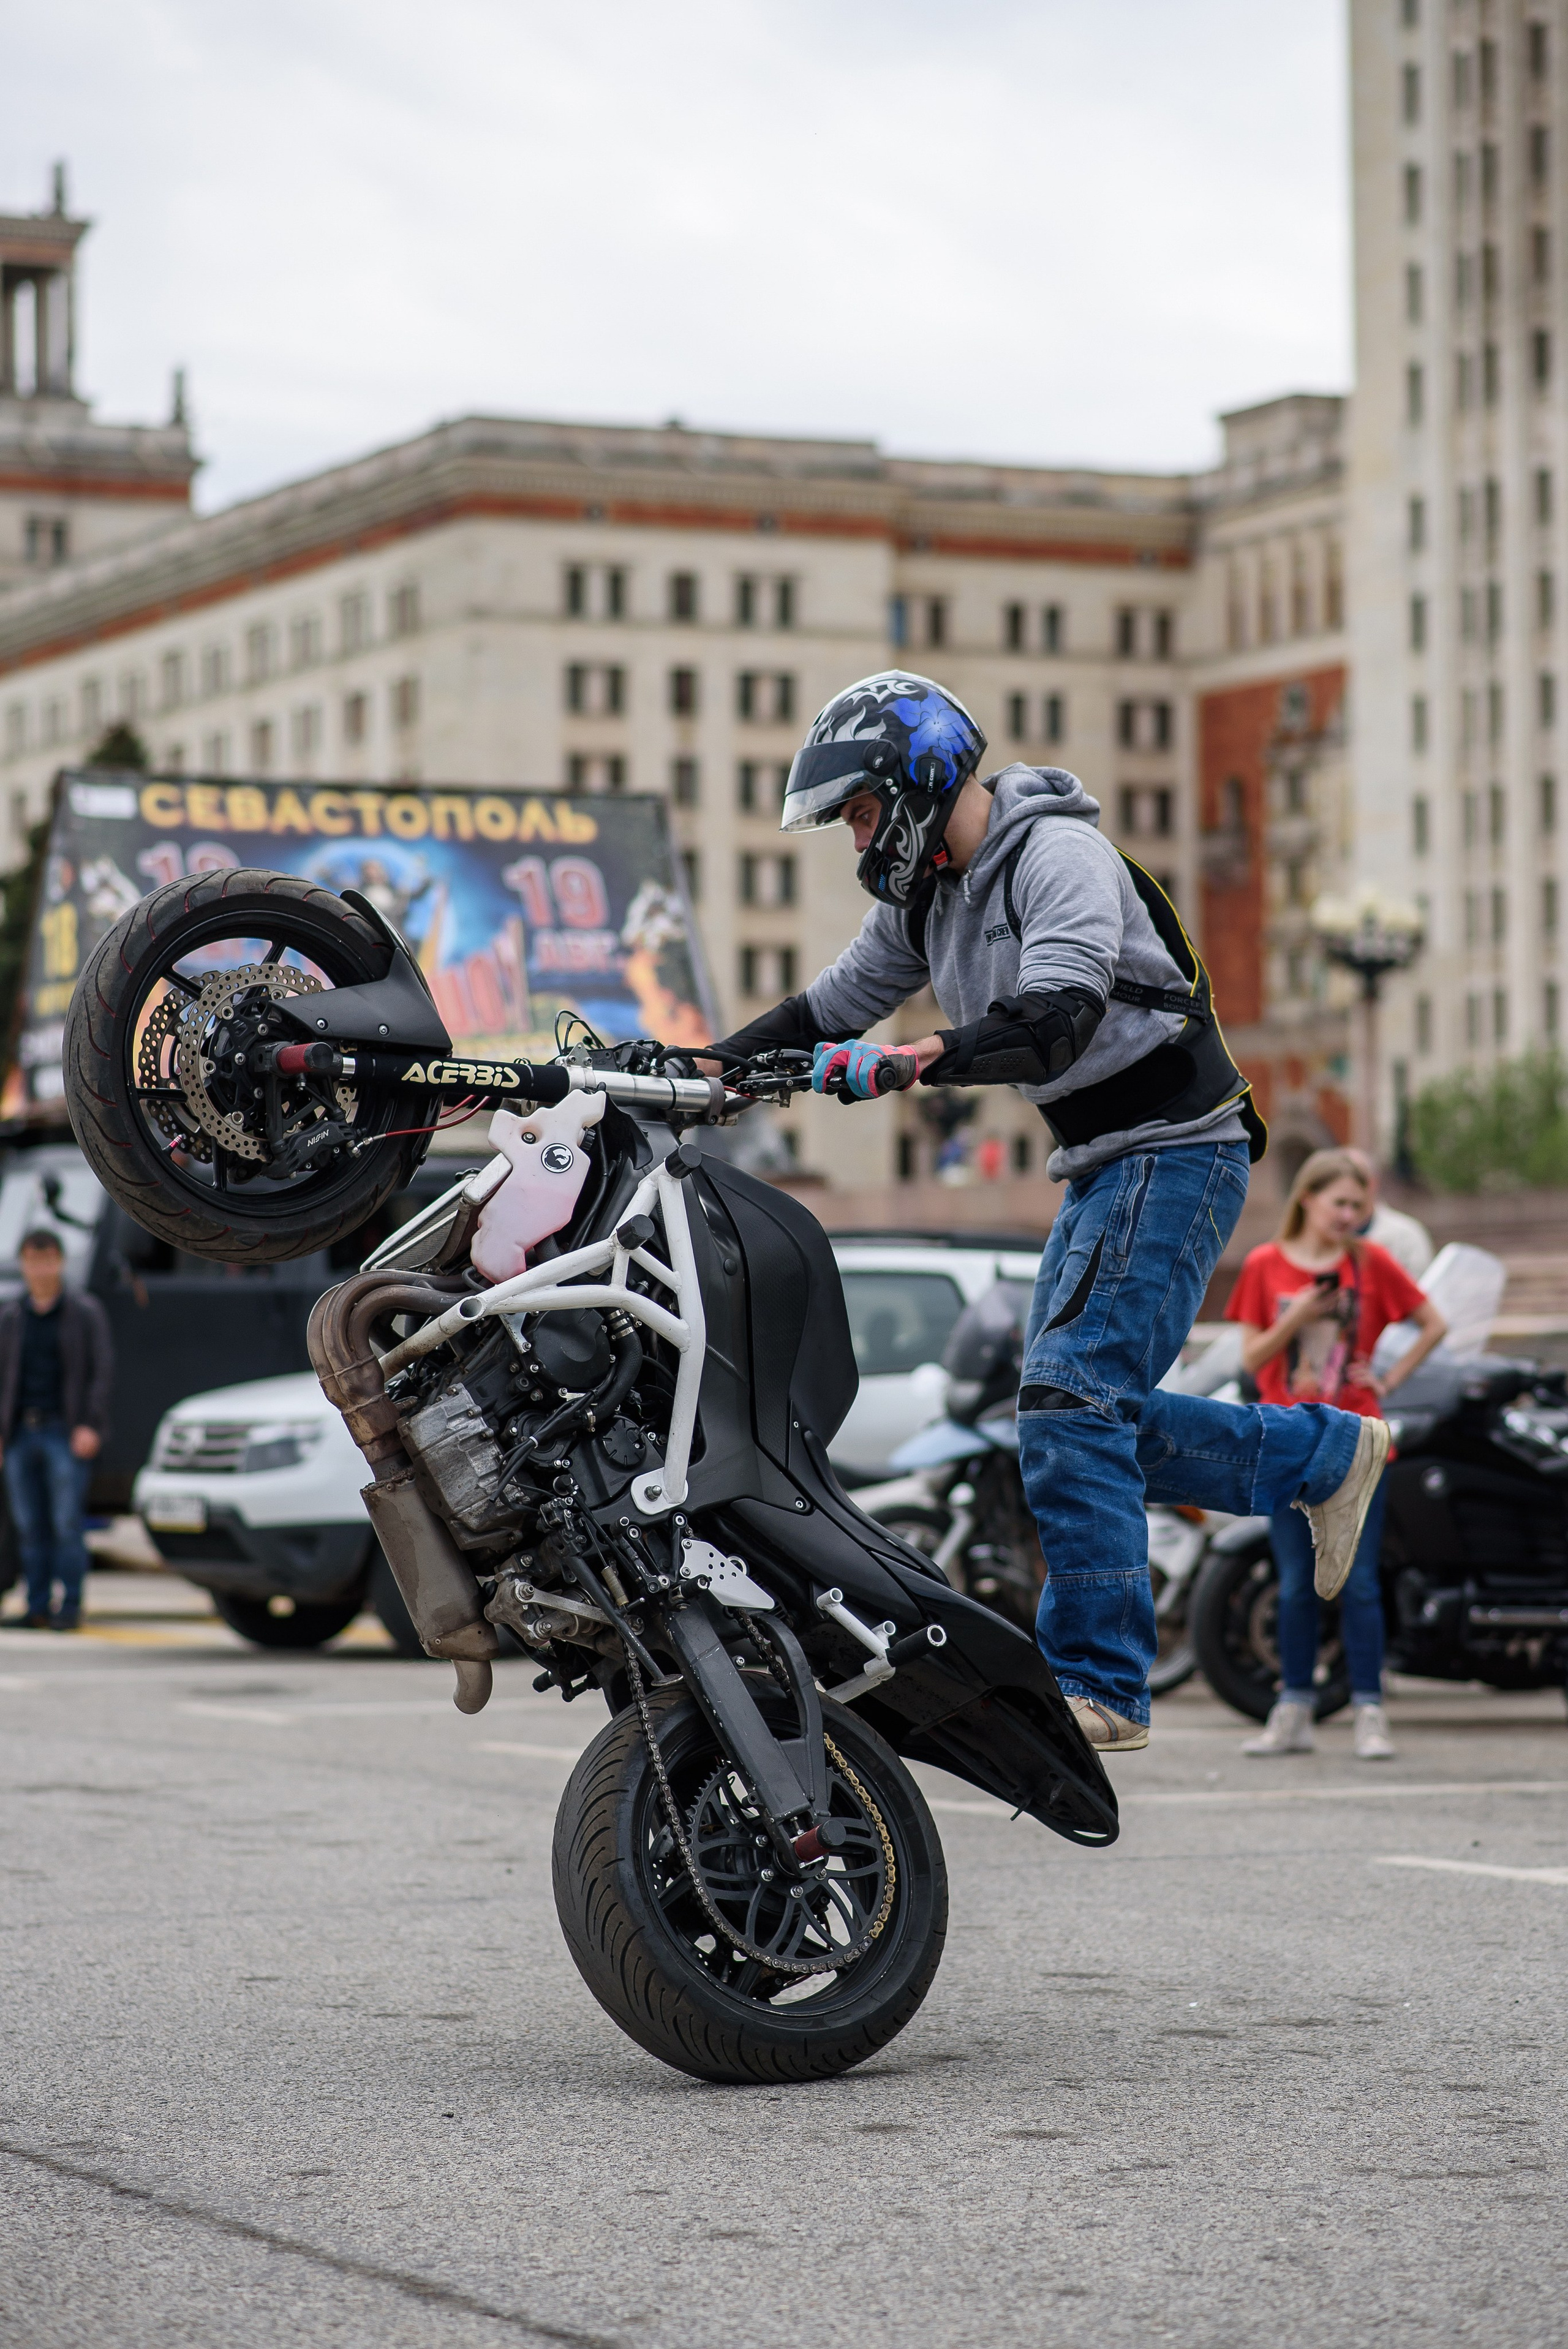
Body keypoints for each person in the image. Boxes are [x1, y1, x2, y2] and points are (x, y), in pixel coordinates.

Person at [707, 669, 1384, 1752]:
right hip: (1103, 1161)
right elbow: (823, 1009)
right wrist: (706, 1070)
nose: (857, 843)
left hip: (1176, 1151)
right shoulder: (925, 898)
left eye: (864, 814)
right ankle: (1321, 1457)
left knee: (1073, 1407)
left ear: (920, 781)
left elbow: (1058, 1020)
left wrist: (916, 1061)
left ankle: (1104, 1687)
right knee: (1072, 1419)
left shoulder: (1055, 855)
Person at [1225, 1150, 1446, 1760]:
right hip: (1285, 1437)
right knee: (1296, 1582)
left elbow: (1432, 1322)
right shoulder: (1267, 1264)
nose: (1348, 1216)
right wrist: (1297, 1313)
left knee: (1359, 1581)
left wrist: (1386, 1376)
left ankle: (1369, 1711)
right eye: (1339, 1204)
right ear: (1307, 1200)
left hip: (1356, 1438)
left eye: (1358, 1206)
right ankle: (1293, 1707)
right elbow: (1249, 1358)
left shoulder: (1368, 1262)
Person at [0, 1228, 113, 1632]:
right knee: (30, 1526)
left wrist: (91, 1424)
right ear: (24, 1264)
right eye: (32, 1260)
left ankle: (71, 1604)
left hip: (64, 1431)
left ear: (60, 1262)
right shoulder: (12, 1317)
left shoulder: (83, 1311)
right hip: (20, 1433)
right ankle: (36, 1605)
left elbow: (101, 1371)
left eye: (47, 1259)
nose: (40, 1268)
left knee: (66, 1523)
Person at [1342, 1146, 1434, 1282]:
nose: (1345, 1189)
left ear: (1372, 1184)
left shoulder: (1406, 1236)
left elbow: (1419, 1292)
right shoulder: (1321, 1234)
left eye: (1354, 1181)